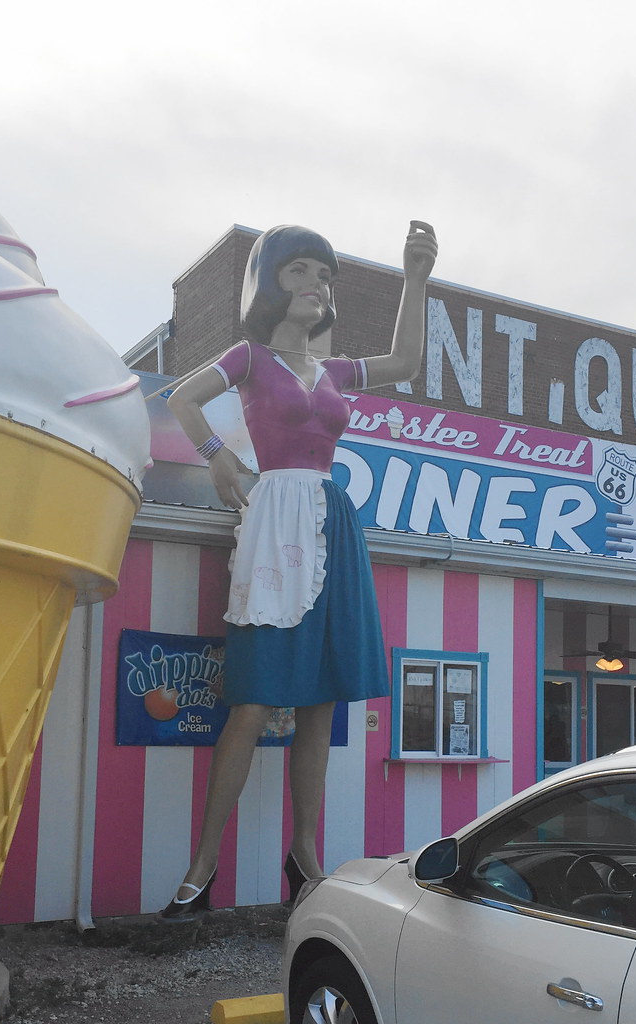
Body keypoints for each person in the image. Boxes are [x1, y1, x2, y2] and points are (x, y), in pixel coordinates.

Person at [159, 221, 438, 921]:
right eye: (300, 271)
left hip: (332, 518)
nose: (315, 284)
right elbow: (181, 399)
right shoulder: (249, 357)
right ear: (271, 282)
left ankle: (305, 853)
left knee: (321, 702)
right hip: (273, 512)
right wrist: (219, 455)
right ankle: (203, 865)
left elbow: (406, 361)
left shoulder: (338, 371)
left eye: (324, 274)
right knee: (252, 700)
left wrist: (415, 276)